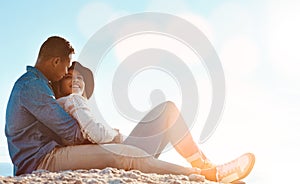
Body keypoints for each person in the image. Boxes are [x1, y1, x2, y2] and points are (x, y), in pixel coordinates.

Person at [5, 36, 255, 183]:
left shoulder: (51, 92)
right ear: (56, 62)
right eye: (68, 71)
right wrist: (106, 135)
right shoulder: (34, 88)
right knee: (121, 154)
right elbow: (72, 134)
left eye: (78, 78)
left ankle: (205, 162)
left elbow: (81, 132)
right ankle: (205, 175)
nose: (69, 76)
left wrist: (104, 132)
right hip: (41, 161)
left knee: (166, 111)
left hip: (76, 149)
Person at [51, 60, 255, 183]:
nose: (76, 81)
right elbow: (94, 134)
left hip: (115, 153)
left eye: (80, 78)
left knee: (168, 111)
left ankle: (207, 166)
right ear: (60, 83)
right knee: (167, 112)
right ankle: (207, 170)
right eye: (70, 77)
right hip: (115, 156)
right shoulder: (69, 102)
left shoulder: (77, 104)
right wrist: (116, 135)